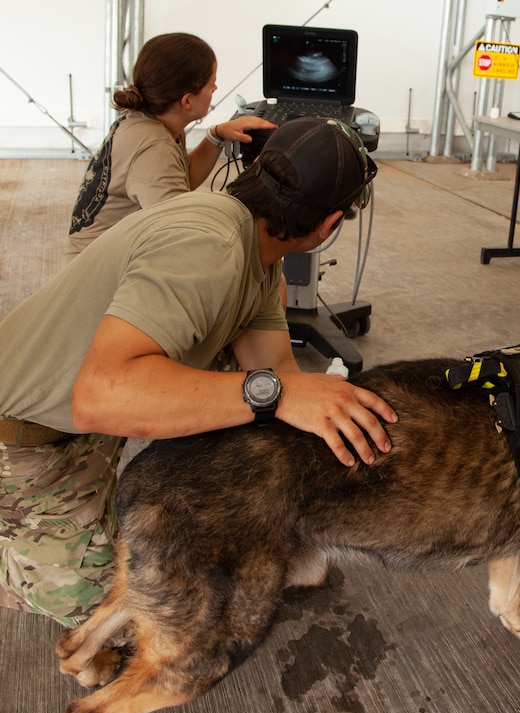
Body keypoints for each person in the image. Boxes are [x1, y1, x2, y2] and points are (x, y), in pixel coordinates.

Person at [0, 116, 397, 627]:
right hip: (24, 436)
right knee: (145, 616)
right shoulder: (208, 247)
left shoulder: (254, 245)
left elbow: (275, 368)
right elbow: (100, 395)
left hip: (84, 413)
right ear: (329, 223)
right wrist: (276, 393)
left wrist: (323, 411)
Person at [65, 32, 277, 258]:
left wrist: (216, 135)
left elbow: (182, 177)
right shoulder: (153, 149)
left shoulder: (150, 121)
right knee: (263, 273)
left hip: (108, 256)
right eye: (211, 84)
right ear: (187, 101)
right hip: (102, 273)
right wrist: (258, 179)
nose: (215, 89)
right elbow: (181, 234)